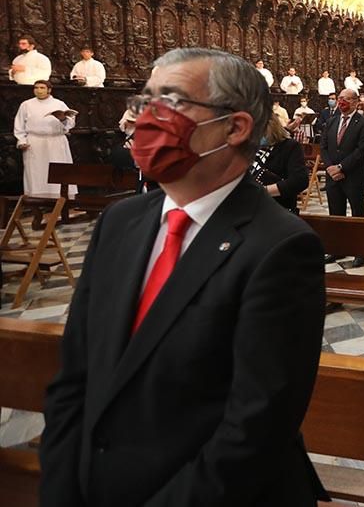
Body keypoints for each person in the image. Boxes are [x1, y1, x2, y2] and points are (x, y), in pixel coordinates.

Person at [40, 48, 327, 506]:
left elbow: (254, 426)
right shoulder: (120, 222)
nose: (145, 118)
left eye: (170, 101)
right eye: (145, 100)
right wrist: (61, 493)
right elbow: (75, 377)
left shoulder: (281, 247)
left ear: (234, 127)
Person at [321, 88, 364, 263]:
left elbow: (362, 150)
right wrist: (330, 168)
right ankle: (338, 249)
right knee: (336, 214)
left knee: (358, 214)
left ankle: (360, 251)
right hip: (332, 176)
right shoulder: (331, 121)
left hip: (353, 176)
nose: (341, 102)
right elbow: (324, 147)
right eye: (339, 98)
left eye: (345, 99)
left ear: (354, 102)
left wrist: (341, 167)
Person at [14, 80, 76, 196]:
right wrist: (21, 140)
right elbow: (19, 124)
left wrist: (63, 119)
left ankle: (59, 197)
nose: (38, 90)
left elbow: (71, 123)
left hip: (56, 141)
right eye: (36, 88)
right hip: (35, 141)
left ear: (49, 90)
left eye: (42, 88)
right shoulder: (26, 104)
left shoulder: (59, 104)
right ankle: (37, 198)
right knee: (36, 172)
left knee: (58, 169)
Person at [251, 112, 309, 213]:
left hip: (279, 209)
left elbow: (300, 181)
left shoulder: (289, 146)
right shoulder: (247, 147)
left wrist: (264, 191)